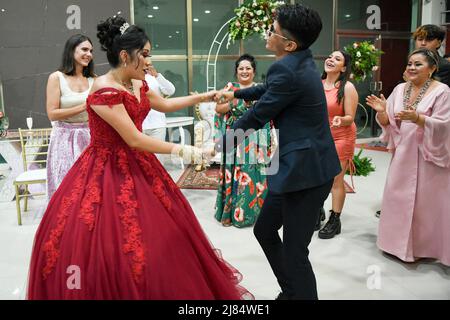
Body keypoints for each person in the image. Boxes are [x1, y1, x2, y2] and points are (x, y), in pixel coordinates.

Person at [27, 16, 252, 300]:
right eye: (144, 55)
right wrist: (188, 150)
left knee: (165, 236)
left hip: (139, 164)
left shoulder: (137, 83)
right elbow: (133, 138)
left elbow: (166, 103)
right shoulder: (103, 90)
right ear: (125, 55)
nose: (149, 62)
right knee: (109, 241)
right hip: (107, 167)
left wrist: (207, 96)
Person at [215, 4, 340, 300]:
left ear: (289, 43)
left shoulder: (288, 68)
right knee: (265, 231)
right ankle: (292, 291)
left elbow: (258, 115)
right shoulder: (297, 61)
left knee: (296, 252)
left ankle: (299, 294)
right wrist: (235, 92)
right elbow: (267, 89)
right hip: (291, 166)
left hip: (307, 172)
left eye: (272, 30)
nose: (266, 33)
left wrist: (219, 144)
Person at [366, 48, 450, 266]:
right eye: (410, 63)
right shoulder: (400, 88)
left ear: (432, 69)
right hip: (403, 154)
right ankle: (394, 245)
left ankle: (425, 248)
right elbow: (390, 124)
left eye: (418, 64)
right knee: (397, 197)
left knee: (426, 204)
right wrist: (382, 110)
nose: (411, 67)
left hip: (428, 157)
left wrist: (419, 118)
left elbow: (445, 125)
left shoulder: (442, 91)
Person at [214, 54, 271, 228]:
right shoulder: (230, 88)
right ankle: (232, 213)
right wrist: (234, 102)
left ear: (254, 71)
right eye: (241, 68)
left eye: (248, 68)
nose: (244, 71)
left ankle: (253, 214)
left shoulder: (261, 89)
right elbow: (218, 108)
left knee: (254, 174)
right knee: (236, 173)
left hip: (256, 136)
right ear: (236, 71)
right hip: (235, 135)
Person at [45, 34, 95, 199]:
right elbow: (52, 114)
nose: (89, 54)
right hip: (64, 139)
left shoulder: (94, 80)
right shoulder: (56, 78)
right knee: (68, 189)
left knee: (91, 187)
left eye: (91, 50)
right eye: (84, 49)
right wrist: (83, 106)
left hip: (90, 137)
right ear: (71, 50)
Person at [316, 51, 358, 238]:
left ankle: (335, 219)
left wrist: (341, 120)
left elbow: (350, 117)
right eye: (330, 56)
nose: (331, 59)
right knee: (316, 177)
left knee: (335, 179)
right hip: (319, 137)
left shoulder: (347, 87)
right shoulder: (316, 84)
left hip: (341, 137)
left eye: (337, 59)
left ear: (343, 68)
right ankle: (318, 210)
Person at [142, 58, 175, 142]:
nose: (148, 65)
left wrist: (156, 75)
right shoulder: (132, 77)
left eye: (149, 63)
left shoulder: (155, 77)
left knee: (158, 155)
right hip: (139, 125)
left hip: (157, 124)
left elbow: (171, 90)